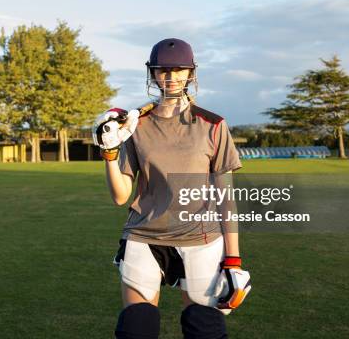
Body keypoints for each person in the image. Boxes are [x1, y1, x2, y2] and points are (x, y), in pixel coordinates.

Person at [92, 38, 251, 339]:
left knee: (204, 329)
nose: (171, 77)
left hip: (200, 238)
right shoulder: (134, 125)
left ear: (191, 74)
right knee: (137, 328)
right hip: (144, 235)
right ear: (152, 74)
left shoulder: (213, 125)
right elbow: (120, 196)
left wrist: (233, 260)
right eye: (163, 70)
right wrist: (110, 154)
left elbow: (226, 199)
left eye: (179, 70)